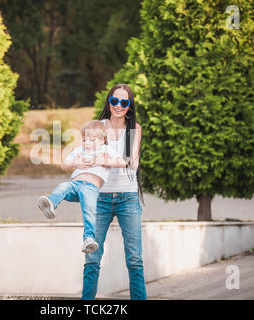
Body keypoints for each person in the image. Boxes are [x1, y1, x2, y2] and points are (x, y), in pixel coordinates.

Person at [82, 83, 147, 300]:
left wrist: (104, 159)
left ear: (129, 106)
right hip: (99, 198)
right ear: (109, 102)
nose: (118, 105)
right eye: (114, 101)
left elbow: (133, 164)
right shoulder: (98, 127)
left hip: (128, 198)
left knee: (135, 260)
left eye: (124, 102)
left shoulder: (134, 129)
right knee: (92, 258)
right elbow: (85, 157)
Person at [37, 120, 127, 253]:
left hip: (90, 188)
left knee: (89, 210)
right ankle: (51, 203)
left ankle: (89, 239)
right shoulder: (79, 150)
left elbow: (122, 163)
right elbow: (64, 165)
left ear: (102, 140)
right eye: (85, 140)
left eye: (92, 140)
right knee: (63, 186)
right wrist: (75, 163)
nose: (87, 143)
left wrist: (105, 161)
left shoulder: (106, 150)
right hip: (74, 184)